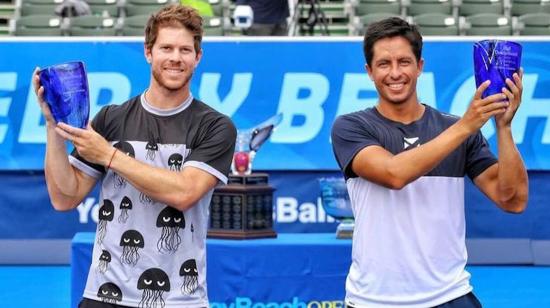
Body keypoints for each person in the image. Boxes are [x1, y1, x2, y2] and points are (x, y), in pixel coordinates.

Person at [33, 4, 236, 308]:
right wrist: (53, 126)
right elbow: (65, 197)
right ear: (148, 52)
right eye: (166, 47)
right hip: (104, 292)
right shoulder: (111, 119)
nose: (175, 58)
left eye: (185, 50)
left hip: (179, 299)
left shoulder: (215, 126)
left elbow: (184, 192)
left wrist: (109, 155)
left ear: (198, 57)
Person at [331, 17, 528, 308]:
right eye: (384, 64)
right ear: (369, 72)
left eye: (404, 62)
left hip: (451, 296)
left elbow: (512, 200)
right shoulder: (350, 127)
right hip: (374, 300)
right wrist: (466, 126)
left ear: (420, 66)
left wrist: (503, 127)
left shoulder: (456, 129)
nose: (395, 73)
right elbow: (393, 174)